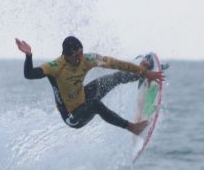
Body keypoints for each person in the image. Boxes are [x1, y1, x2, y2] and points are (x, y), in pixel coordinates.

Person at [15, 35, 164, 135]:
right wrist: (29, 56)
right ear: (67, 55)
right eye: (76, 56)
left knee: (113, 78)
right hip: (72, 116)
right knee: (95, 105)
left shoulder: (87, 59)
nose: (80, 59)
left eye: (81, 53)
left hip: (83, 97)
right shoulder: (55, 67)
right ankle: (133, 128)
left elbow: (115, 63)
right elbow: (29, 74)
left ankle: (142, 73)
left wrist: (142, 72)